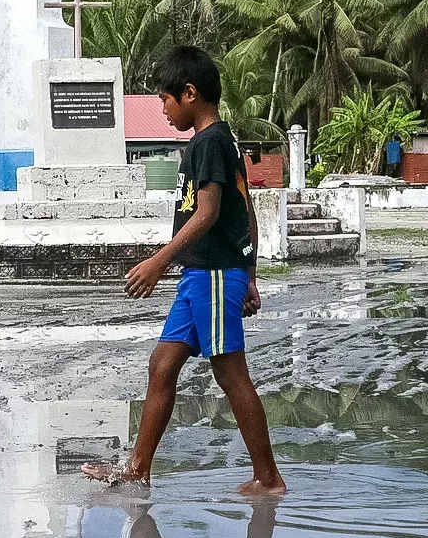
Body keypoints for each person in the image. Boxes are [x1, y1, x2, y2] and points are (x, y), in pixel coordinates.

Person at [83, 46, 287, 496]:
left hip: (212, 273)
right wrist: (249, 272)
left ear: (190, 94)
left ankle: (268, 477)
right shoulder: (218, 141)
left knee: (231, 373)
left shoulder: (209, 142)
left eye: (166, 100)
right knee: (162, 363)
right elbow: (246, 207)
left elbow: (209, 212)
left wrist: (159, 260)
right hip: (205, 275)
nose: (162, 108)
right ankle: (138, 469)